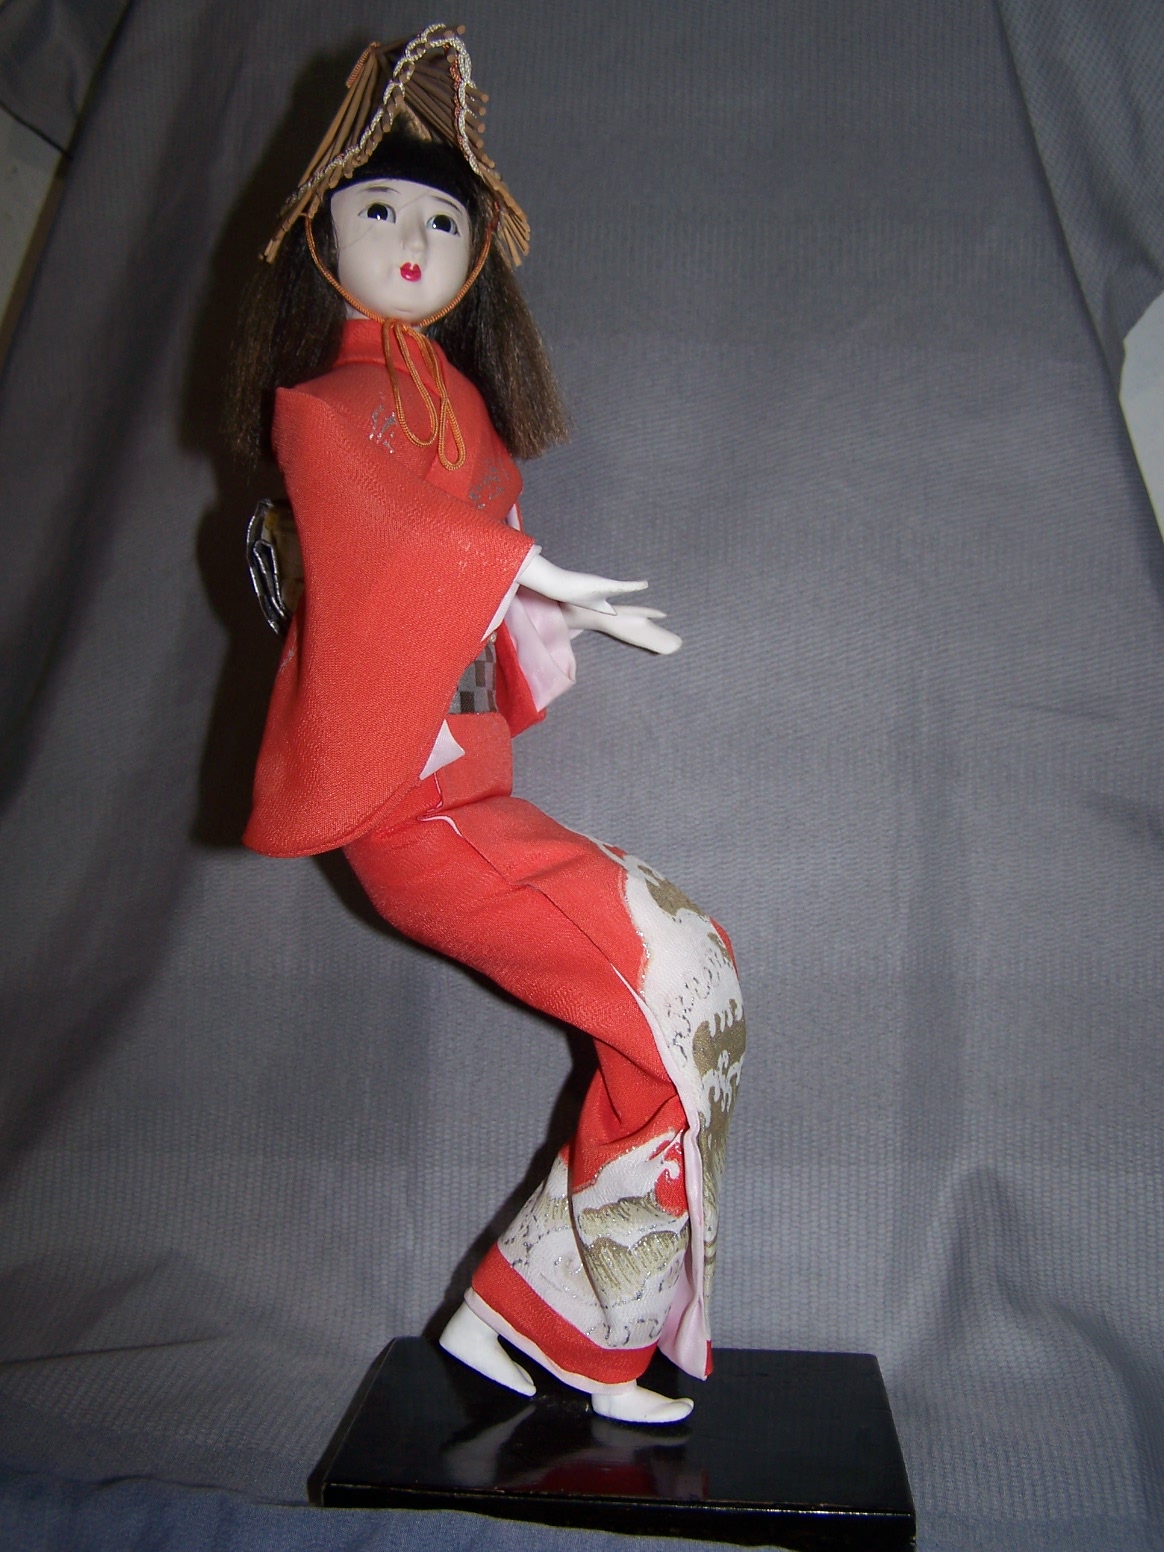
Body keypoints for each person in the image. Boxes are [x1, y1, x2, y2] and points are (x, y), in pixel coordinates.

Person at [228, 25, 744, 1425]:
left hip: (465, 787)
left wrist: (545, 603)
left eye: (443, 221)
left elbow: (475, 567)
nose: (411, 239)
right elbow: (372, 526)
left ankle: (512, 1319)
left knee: (692, 972)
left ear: (479, 263)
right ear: (322, 236)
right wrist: (517, 568)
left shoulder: (463, 409)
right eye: (380, 210)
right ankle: (580, 1337)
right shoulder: (330, 406)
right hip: (406, 807)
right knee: (674, 987)